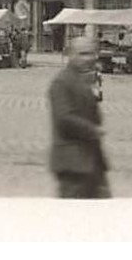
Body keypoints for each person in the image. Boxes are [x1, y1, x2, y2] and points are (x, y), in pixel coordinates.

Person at [49, 36, 111, 199]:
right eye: (83, 54)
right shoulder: (61, 82)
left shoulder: (84, 79)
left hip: (93, 162)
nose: (89, 58)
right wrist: (93, 130)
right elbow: (64, 119)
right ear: (71, 55)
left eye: (91, 54)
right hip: (73, 164)